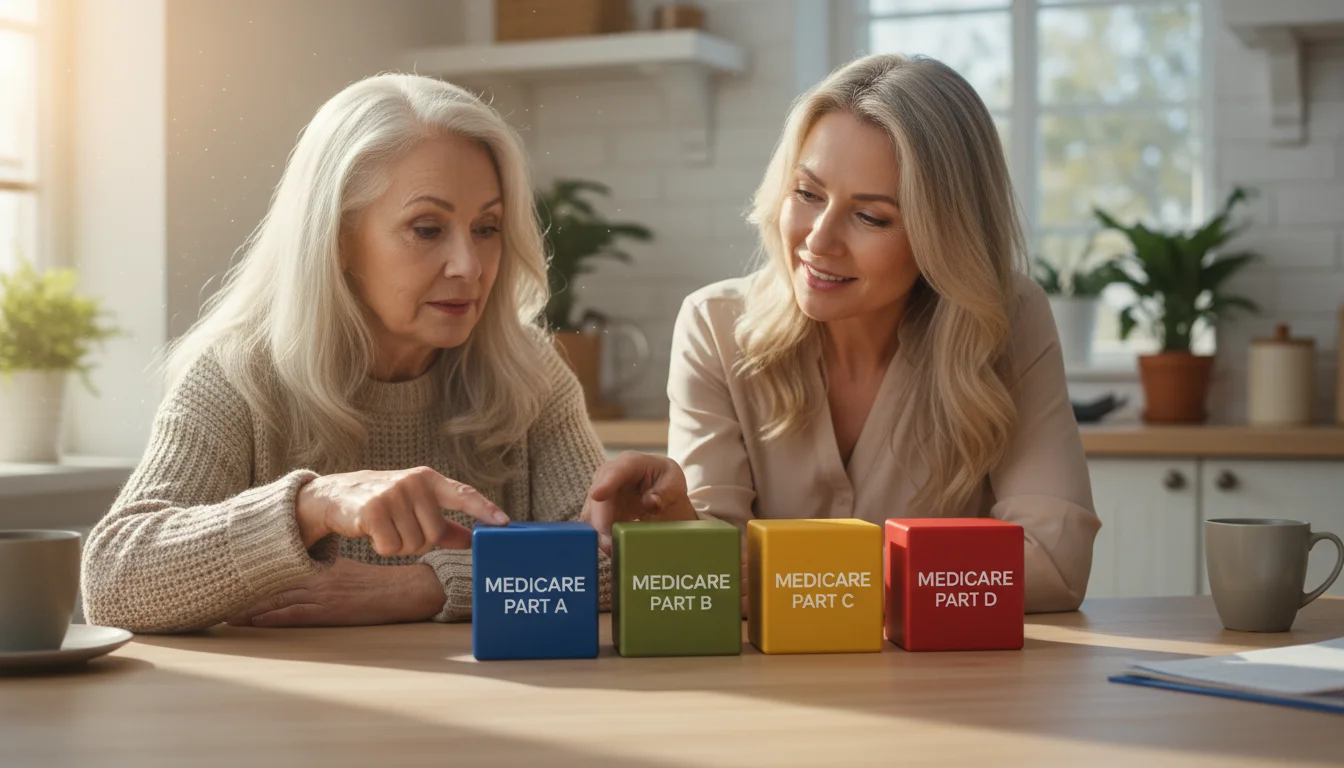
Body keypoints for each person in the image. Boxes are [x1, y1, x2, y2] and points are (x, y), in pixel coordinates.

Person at [82, 74, 693, 634]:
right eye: (427, 229)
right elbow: (113, 582)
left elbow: (609, 565)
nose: (470, 265)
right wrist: (311, 506)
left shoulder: (528, 373)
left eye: (486, 228)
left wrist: (422, 585)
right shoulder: (238, 376)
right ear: (339, 238)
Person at [667, 54, 1100, 613]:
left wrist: (802, 574)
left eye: (871, 217)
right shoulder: (714, 325)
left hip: (954, 693)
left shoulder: (1004, 319)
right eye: (807, 193)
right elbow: (713, 571)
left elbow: (1054, 563)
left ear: (944, 236)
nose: (818, 241)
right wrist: (672, 518)